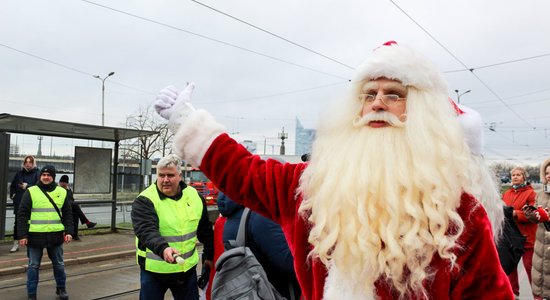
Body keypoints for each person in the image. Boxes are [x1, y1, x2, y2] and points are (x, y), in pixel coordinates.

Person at [154, 41, 513, 299]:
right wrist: (189, 124)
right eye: (368, 93)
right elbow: (245, 172)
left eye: (394, 94)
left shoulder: (455, 208)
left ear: (419, 110)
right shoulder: (312, 186)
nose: (377, 103)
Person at [131, 154, 214, 300]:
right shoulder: (145, 200)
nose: (165, 180)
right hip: (154, 271)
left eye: (170, 175)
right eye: (161, 175)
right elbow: (146, 231)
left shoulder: (194, 196)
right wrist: (164, 249)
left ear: (180, 176)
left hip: (186, 271)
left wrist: (210, 254)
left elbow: (205, 229)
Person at [217, 192, 301, 299]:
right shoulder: (259, 216)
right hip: (272, 292)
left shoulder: (236, 214)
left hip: (251, 291)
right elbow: (290, 264)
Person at [17, 165, 73, 300]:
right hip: (35, 236)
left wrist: (69, 231)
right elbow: (22, 214)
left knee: (59, 264)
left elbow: (67, 213)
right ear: (40, 176)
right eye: (44, 175)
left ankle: (61, 289)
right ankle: (32, 295)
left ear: (53, 177)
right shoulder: (31, 191)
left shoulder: (62, 192)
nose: (46, 177)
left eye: (49, 175)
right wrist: (22, 235)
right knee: (33, 266)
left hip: (56, 236)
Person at [502, 166, 538, 298]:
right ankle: (513, 295)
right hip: (511, 239)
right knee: (510, 269)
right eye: (513, 175)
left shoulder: (531, 194)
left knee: (531, 271)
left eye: (518, 175)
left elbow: (533, 213)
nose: (515, 177)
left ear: (524, 177)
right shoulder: (506, 194)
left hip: (527, 238)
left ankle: (537, 295)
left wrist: (516, 214)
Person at [9, 155, 39, 253]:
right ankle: (15, 244)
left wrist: (27, 186)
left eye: (30, 162)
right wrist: (12, 195)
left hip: (32, 203)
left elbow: (38, 188)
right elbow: (12, 185)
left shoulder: (37, 173)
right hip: (19, 202)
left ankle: (31, 243)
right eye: (26, 162)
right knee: (17, 223)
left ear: (33, 163)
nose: (28, 164)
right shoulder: (19, 173)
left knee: (31, 223)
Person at [531, 158, 550, 300]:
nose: (549, 175)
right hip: (540, 245)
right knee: (540, 279)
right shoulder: (540, 194)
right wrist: (531, 214)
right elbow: (536, 216)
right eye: (547, 173)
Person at [58, 175, 97, 240]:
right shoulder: (58, 190)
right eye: (61, 182)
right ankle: (87, 222)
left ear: (66, 183)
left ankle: (75, 235)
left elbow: (71, 199)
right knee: (76, 205)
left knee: (76, 214)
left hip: (71, 207)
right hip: (63, 208)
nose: (62, 184)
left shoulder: (69, 190)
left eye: (64, 182)